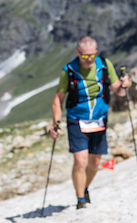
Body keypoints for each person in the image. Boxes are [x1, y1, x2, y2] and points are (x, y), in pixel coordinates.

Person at [48, 35, 131, 209]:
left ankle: (84, 187)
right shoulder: (69, 70)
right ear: (77, 52)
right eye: (85, 56)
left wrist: (125, 85)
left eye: (92, 55)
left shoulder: (104, 65)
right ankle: (80, 200)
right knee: (80, 161)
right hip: (77, 120)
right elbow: (58, 98)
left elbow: (118, 90)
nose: (89, 60)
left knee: (95, 162)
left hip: (99, 119)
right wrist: (56, 123)